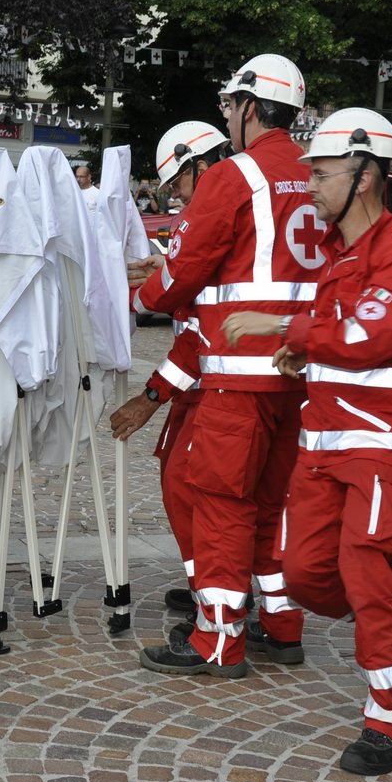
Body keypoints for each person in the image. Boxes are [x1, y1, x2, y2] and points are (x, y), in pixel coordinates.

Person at [223, 107, 392, 776]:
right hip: (324, 447)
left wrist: (285, 331)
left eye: (322, 173)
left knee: (365, 567)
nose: (310, 185)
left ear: (367, 175)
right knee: (306, 575)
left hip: (380, 446)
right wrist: (305, 353)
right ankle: (383, 600)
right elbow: (339, 332)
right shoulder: (341, 261)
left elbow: (365, 336)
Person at [130, 54, 318, 679]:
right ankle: (282, 625)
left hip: (240, 373)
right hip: (299, 372)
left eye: (230, 107)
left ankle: (217, 637)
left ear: (250, 108)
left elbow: (182, 271)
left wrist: (142, 295)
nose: (228, 118)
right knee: (270, 503)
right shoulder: (317, 174)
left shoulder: (236, 177)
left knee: (217, 501)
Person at [112, 120, 231, 619]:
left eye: (178, 184)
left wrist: (150, 398)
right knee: (184, 478)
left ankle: (222, 600)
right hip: (214, 380)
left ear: (200, 167)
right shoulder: (218, 213)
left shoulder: (213, 217)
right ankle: (211, 588)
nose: (177, 198)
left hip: (221, 382)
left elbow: (197, 334)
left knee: (193, 484)